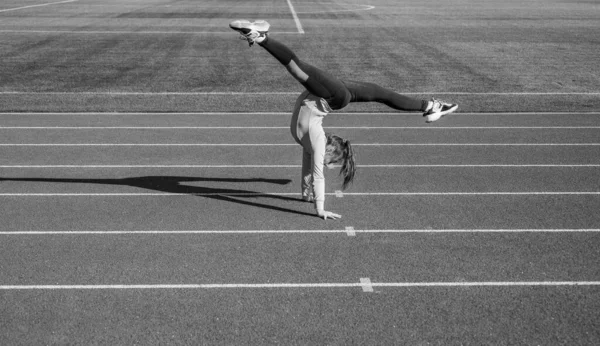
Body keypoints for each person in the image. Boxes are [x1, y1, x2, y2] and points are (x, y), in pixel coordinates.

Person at [229, 20, 458, 220]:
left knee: (381, 93)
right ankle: (260, 37)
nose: (327, 165)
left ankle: (431, 107)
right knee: (297, 68)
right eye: (332, 162)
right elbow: (319, 175)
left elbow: (308, 170)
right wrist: (320, 209)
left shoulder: (310, 145)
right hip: (332, 96)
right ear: (330, 151)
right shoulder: (317, 140)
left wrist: (306, 194)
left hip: (332, 94)